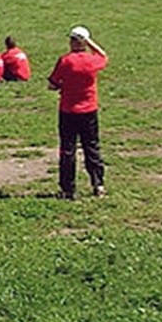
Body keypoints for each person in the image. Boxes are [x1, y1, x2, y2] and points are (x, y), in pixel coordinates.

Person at [47, 26, 108, 199]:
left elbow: (52, 84)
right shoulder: (92, 61)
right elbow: (103, 55)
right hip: (89, 109)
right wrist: (89, 42)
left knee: (68, 150)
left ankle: (68, 188)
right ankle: (98, 184)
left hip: (68, 110)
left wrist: (62, 86)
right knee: (92, 147)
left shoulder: (65, 61)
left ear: (73, 42)